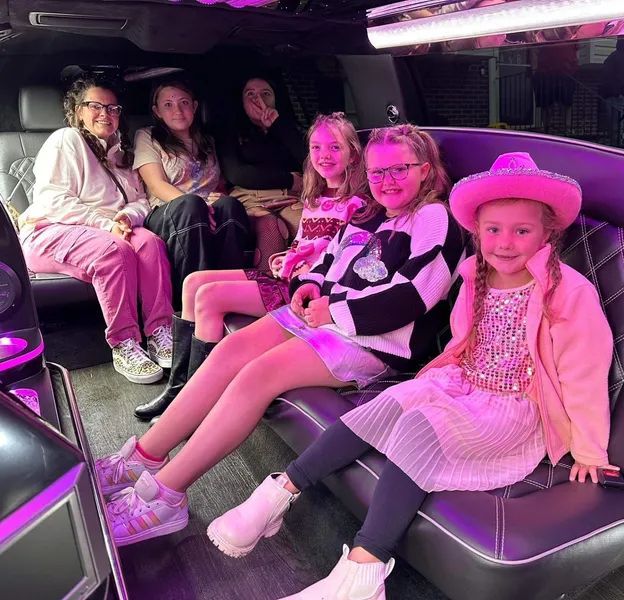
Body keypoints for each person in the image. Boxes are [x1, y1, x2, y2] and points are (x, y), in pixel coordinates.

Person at [206, 151, 618, 600]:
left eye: (522, 231)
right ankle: (280, 494)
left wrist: (589, 450)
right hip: (464, 383)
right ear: (477, 231)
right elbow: (465, 339)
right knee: (389, 404)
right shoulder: (476, 276)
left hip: (515, 407)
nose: (504, 243)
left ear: (547, 234)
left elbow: (584, 370)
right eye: (493, 230)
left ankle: (365, 570)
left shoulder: (566, 290)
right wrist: (435, 382)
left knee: (420, 427)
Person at [95, 124, 466, 547]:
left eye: (399, 169)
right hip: (327, 318)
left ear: (426, 170)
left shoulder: (436, 218)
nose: (387, 181)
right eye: (378, 172)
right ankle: (145, 456)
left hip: (374, 340)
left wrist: (336, 310)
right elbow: (330, 261)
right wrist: (308, 288)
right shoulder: (371, 213)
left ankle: (166, 495)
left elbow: (417, 295)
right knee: (233, 348)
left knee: (258, 374)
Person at [133, 112, 368, 421]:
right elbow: (304, 242)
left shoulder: (358, 204)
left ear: (353, 153)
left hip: (303, 290)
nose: (325, 156)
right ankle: (180, 390)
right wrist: (287, 255)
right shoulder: (314, 196)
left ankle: (196, 401)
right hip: (285, 275)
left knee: (209, 297)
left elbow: (341, 260)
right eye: (316, 148)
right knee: (193, 282)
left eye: (335, 148)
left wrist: (303, 262)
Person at [18, 76, 173, 384]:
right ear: (78, 111)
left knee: (151, 244)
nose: (106, 113)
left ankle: (159, 330)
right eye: (95, 106)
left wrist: (128, 217)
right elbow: (53, 200)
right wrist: (107, 225)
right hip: (50, 231)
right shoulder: (66, 139)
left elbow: (141, 201)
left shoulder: (121, 152)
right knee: (112, 251)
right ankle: (124, 343)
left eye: (113, 108)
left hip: (111, 230)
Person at [134, 79, 252, 306]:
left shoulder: (208, 141)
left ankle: (229, 297)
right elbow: (156, 184)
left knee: (230, 206)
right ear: (157, 111)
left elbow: (218, 182)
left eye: (184, 102)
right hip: (168, 211)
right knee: (191, 206)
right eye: (168, 104)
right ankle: (191, 303)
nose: (177, 110)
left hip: (205, 209)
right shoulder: (147, 136)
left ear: (195, 107)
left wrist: (218, 197)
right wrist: (199, 204)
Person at [218, 75, 308, 268]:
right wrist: (288, 180)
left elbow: (309, 160)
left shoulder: (287, 128)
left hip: (289, 197)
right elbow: (237, 173)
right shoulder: (230, 132)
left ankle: (311, 281)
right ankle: (267, 287)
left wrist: (278, 125)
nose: (258, 100)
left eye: (265, 93)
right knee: (270, 227)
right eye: (250, 94)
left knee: (308, 222)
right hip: (250, 197)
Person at [599, 37, 624, 147]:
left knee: (622, 127)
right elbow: (606, 77)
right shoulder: (613, 57)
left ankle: (619, 146)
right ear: (623, 41)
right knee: (615, 127)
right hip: (615, 97)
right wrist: (616, 92)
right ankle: (614, 147)